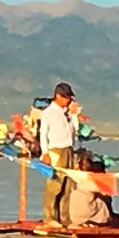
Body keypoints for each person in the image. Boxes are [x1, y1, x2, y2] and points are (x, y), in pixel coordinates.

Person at [37, 82, 81, 226]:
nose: (68, 100)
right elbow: (43, 133)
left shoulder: (66, 113)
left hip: (68, 149)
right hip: (55, 149)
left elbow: (75, 130)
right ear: (58, 96)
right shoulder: (48, 113)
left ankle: (65, 218)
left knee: (67, 186)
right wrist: (45, 153)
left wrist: (73, 114)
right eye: (66, 97)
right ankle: (50, 217)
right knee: (55, 185)